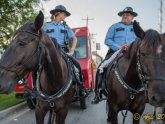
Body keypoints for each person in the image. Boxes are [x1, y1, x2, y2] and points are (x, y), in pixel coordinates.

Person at [34, 5, 87, 97]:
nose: (65, 16)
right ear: (58, 13)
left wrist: (72, 50)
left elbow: (74, 38)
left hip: (62, 51)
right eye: (64, 14)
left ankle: (80, 88)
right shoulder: (47, 25)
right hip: (48, 51)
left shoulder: (65, 27)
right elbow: (39, 36)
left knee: (77, 66)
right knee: (36, 66)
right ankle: (35, 88)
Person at [91, 6, 138, 104]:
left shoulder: (137, 28)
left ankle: (146, 91)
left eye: (128, 14)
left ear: (132, 17)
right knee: (101, 68)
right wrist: (119, 47)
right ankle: (98, 93)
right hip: (116, 51)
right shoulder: (114, 26)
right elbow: (107, 40)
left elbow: (141, 40)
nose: (125, 16)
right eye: (124, 15)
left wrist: (131, 46)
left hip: (133, 52)